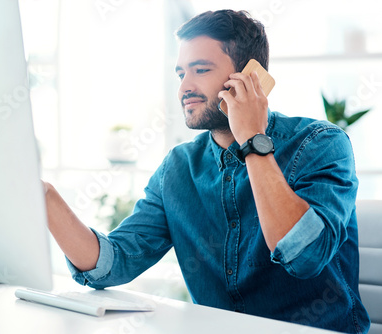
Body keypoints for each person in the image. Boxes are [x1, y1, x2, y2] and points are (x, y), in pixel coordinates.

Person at [44, 9, 370, 333]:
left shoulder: (320, 144)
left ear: (250, 78)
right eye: (180, 73)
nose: (185, 86)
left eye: (200, 70)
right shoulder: (178, 167)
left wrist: (252, 140)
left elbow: (306, 257)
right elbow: (114, 264)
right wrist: (45, 197)